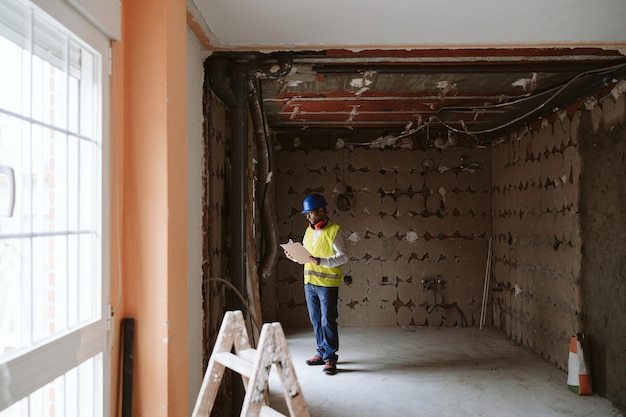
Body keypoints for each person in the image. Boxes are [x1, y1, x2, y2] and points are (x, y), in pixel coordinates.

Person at [284, 193, 349, 375]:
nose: (308, 217)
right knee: (315, 320)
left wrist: (321, 261)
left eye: (310, 213)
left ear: (321, 211)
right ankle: (321, 352)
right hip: (309, 283)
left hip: (327, 284)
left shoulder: (335, 231)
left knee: (327, 320)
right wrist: (295, 257)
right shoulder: (309, 231)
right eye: (306, 214)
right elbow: (308, 257)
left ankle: (330, 358)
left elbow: (344, 257)